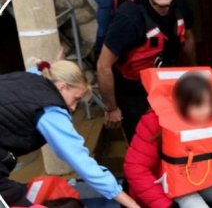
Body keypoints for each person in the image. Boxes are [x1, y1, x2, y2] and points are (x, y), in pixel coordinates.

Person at [0, 58, 139, 208]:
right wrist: (131, 204)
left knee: (17, 194)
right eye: (76, 99)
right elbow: (81, 162)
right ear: (62, 87)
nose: (73, 108)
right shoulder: (50, 109)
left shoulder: (31, 77)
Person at [97, 0, 196, 142]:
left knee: (174, 135)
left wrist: (193, 74)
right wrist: (111, 108)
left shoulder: (183, 5)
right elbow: (103, 65)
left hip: (165, 82)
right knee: (142, 144)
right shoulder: (129, 18)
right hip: (133, 90)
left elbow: (188, 38)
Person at [123, 72, 212, 208]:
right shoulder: (155, 123)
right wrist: (165, 205)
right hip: (173, 184)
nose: (206, 110)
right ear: (181, 104)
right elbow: (134, 167)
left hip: (209, 176)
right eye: (198, 105)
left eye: (209, 103)